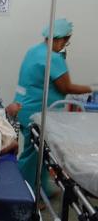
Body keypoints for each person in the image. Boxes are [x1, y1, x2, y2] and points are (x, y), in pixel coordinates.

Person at [14, 18, 93, 196]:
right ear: (58, 38)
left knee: (40, 154)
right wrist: (92, 88)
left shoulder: (34, 51)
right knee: (32, 158)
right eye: (66, 41)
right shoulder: (53, 57)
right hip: (37, 113)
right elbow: (65, 87)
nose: (65, 45)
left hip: (24, 108)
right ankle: (26, 196)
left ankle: (41, 190)